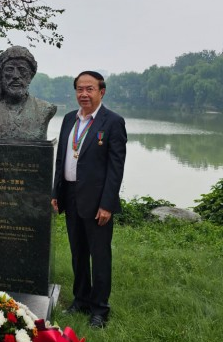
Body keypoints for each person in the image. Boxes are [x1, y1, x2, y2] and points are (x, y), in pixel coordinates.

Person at [51, 71, 127, 328]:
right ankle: (81, 300)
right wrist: (56, 192)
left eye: (90, 89)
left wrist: (107, 204)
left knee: (100, 255)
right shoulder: (69, 119)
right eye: (80, 89)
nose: (84, 94)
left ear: (101, 92)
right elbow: (62, 159)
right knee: (78, 253)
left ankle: (100, 309)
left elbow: (116, 168)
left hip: (97, 201)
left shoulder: (112, 122)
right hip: (71, 196)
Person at [0, 45, 57, 140]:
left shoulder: (45, 109)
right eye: (9, 69)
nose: (15, 76)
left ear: (30, 76)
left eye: (22, 70)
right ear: (0, 75)